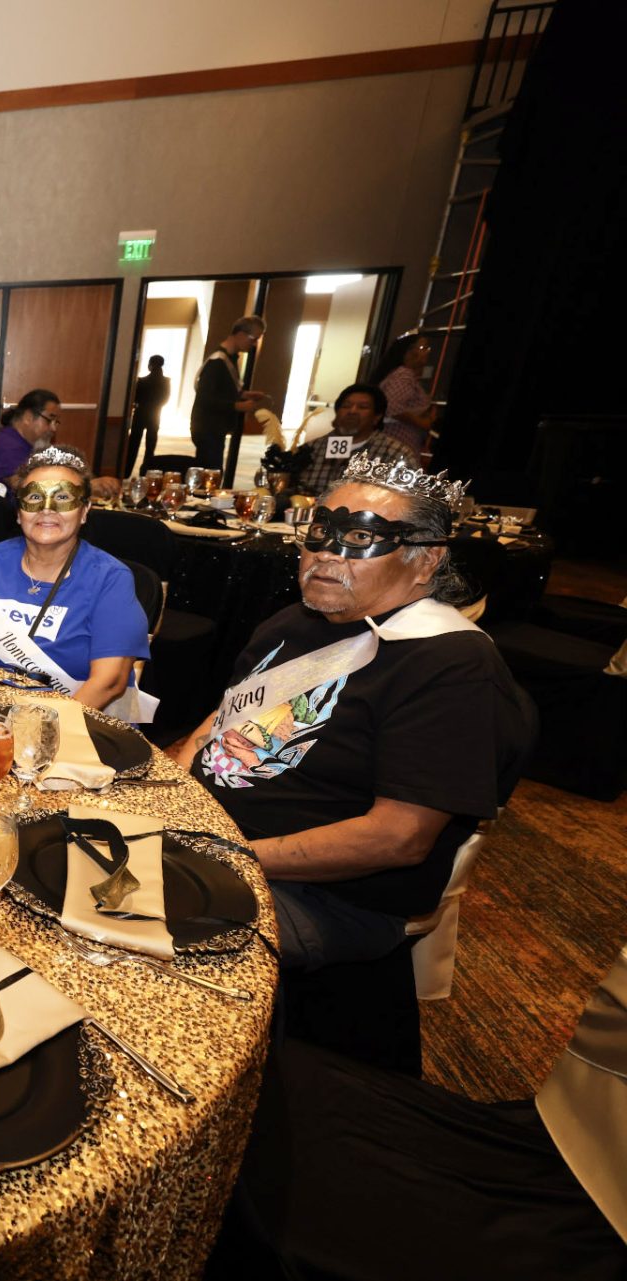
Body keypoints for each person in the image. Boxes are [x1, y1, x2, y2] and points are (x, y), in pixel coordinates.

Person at [170, 457, 533, 971]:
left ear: (426, 560)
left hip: (324, 898)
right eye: (319, 533)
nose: (325, 555)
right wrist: (174, 792)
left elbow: (399, 838)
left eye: (360, 540)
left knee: (115, 922)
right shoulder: (293, 621)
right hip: (209, 835)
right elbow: (227, 712)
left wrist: (229, 853)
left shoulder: (452, 666)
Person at [0, 445, 151, 715]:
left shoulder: (110, 580)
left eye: (63, 497)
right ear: (18, 512)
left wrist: (38, 731)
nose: (47, 509)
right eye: (34, 498)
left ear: (85, 510)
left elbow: (109, 683)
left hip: (81, 721)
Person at [294, 383, 419, 495]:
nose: (352, 411)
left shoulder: (396, 454)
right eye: (346, 406)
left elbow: (409, 500)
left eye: (363, 407)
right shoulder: (311, 448)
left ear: (376, 417)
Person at [192, 317, 270, 474]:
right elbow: (204, 398)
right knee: (210, 475)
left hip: (215, 428)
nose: (254, 344)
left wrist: (244, 394)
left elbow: (222, 390)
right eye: (253, 339)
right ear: (240, 334)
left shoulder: (229, 358)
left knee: (212, 474)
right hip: (208, 427)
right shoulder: (218, 361)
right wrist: (237, 406)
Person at [0, 389, 60, 492]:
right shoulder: (9, 447)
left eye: (56, 422)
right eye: (49, 420)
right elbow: (29, 490)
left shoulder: (18, 440)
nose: (54, 429)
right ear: (28, 417)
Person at [370, 333, 439, 455]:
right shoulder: (403, 375)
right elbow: (392, 407)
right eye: (423, 348)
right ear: (408, 351)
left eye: (428, 349)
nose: (427, 352)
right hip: (396, 442)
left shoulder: (403, 375)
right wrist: (423, 422)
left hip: (397, 443)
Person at [122, 355, 171, 477]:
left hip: (140, 414)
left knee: (133, 445)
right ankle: (145, 472)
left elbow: (135, 398)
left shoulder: (142, 381)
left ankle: (126, 472)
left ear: (150, 365)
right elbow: (165, 399)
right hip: (155, 415)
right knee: (150, 447)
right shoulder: (166, 382)